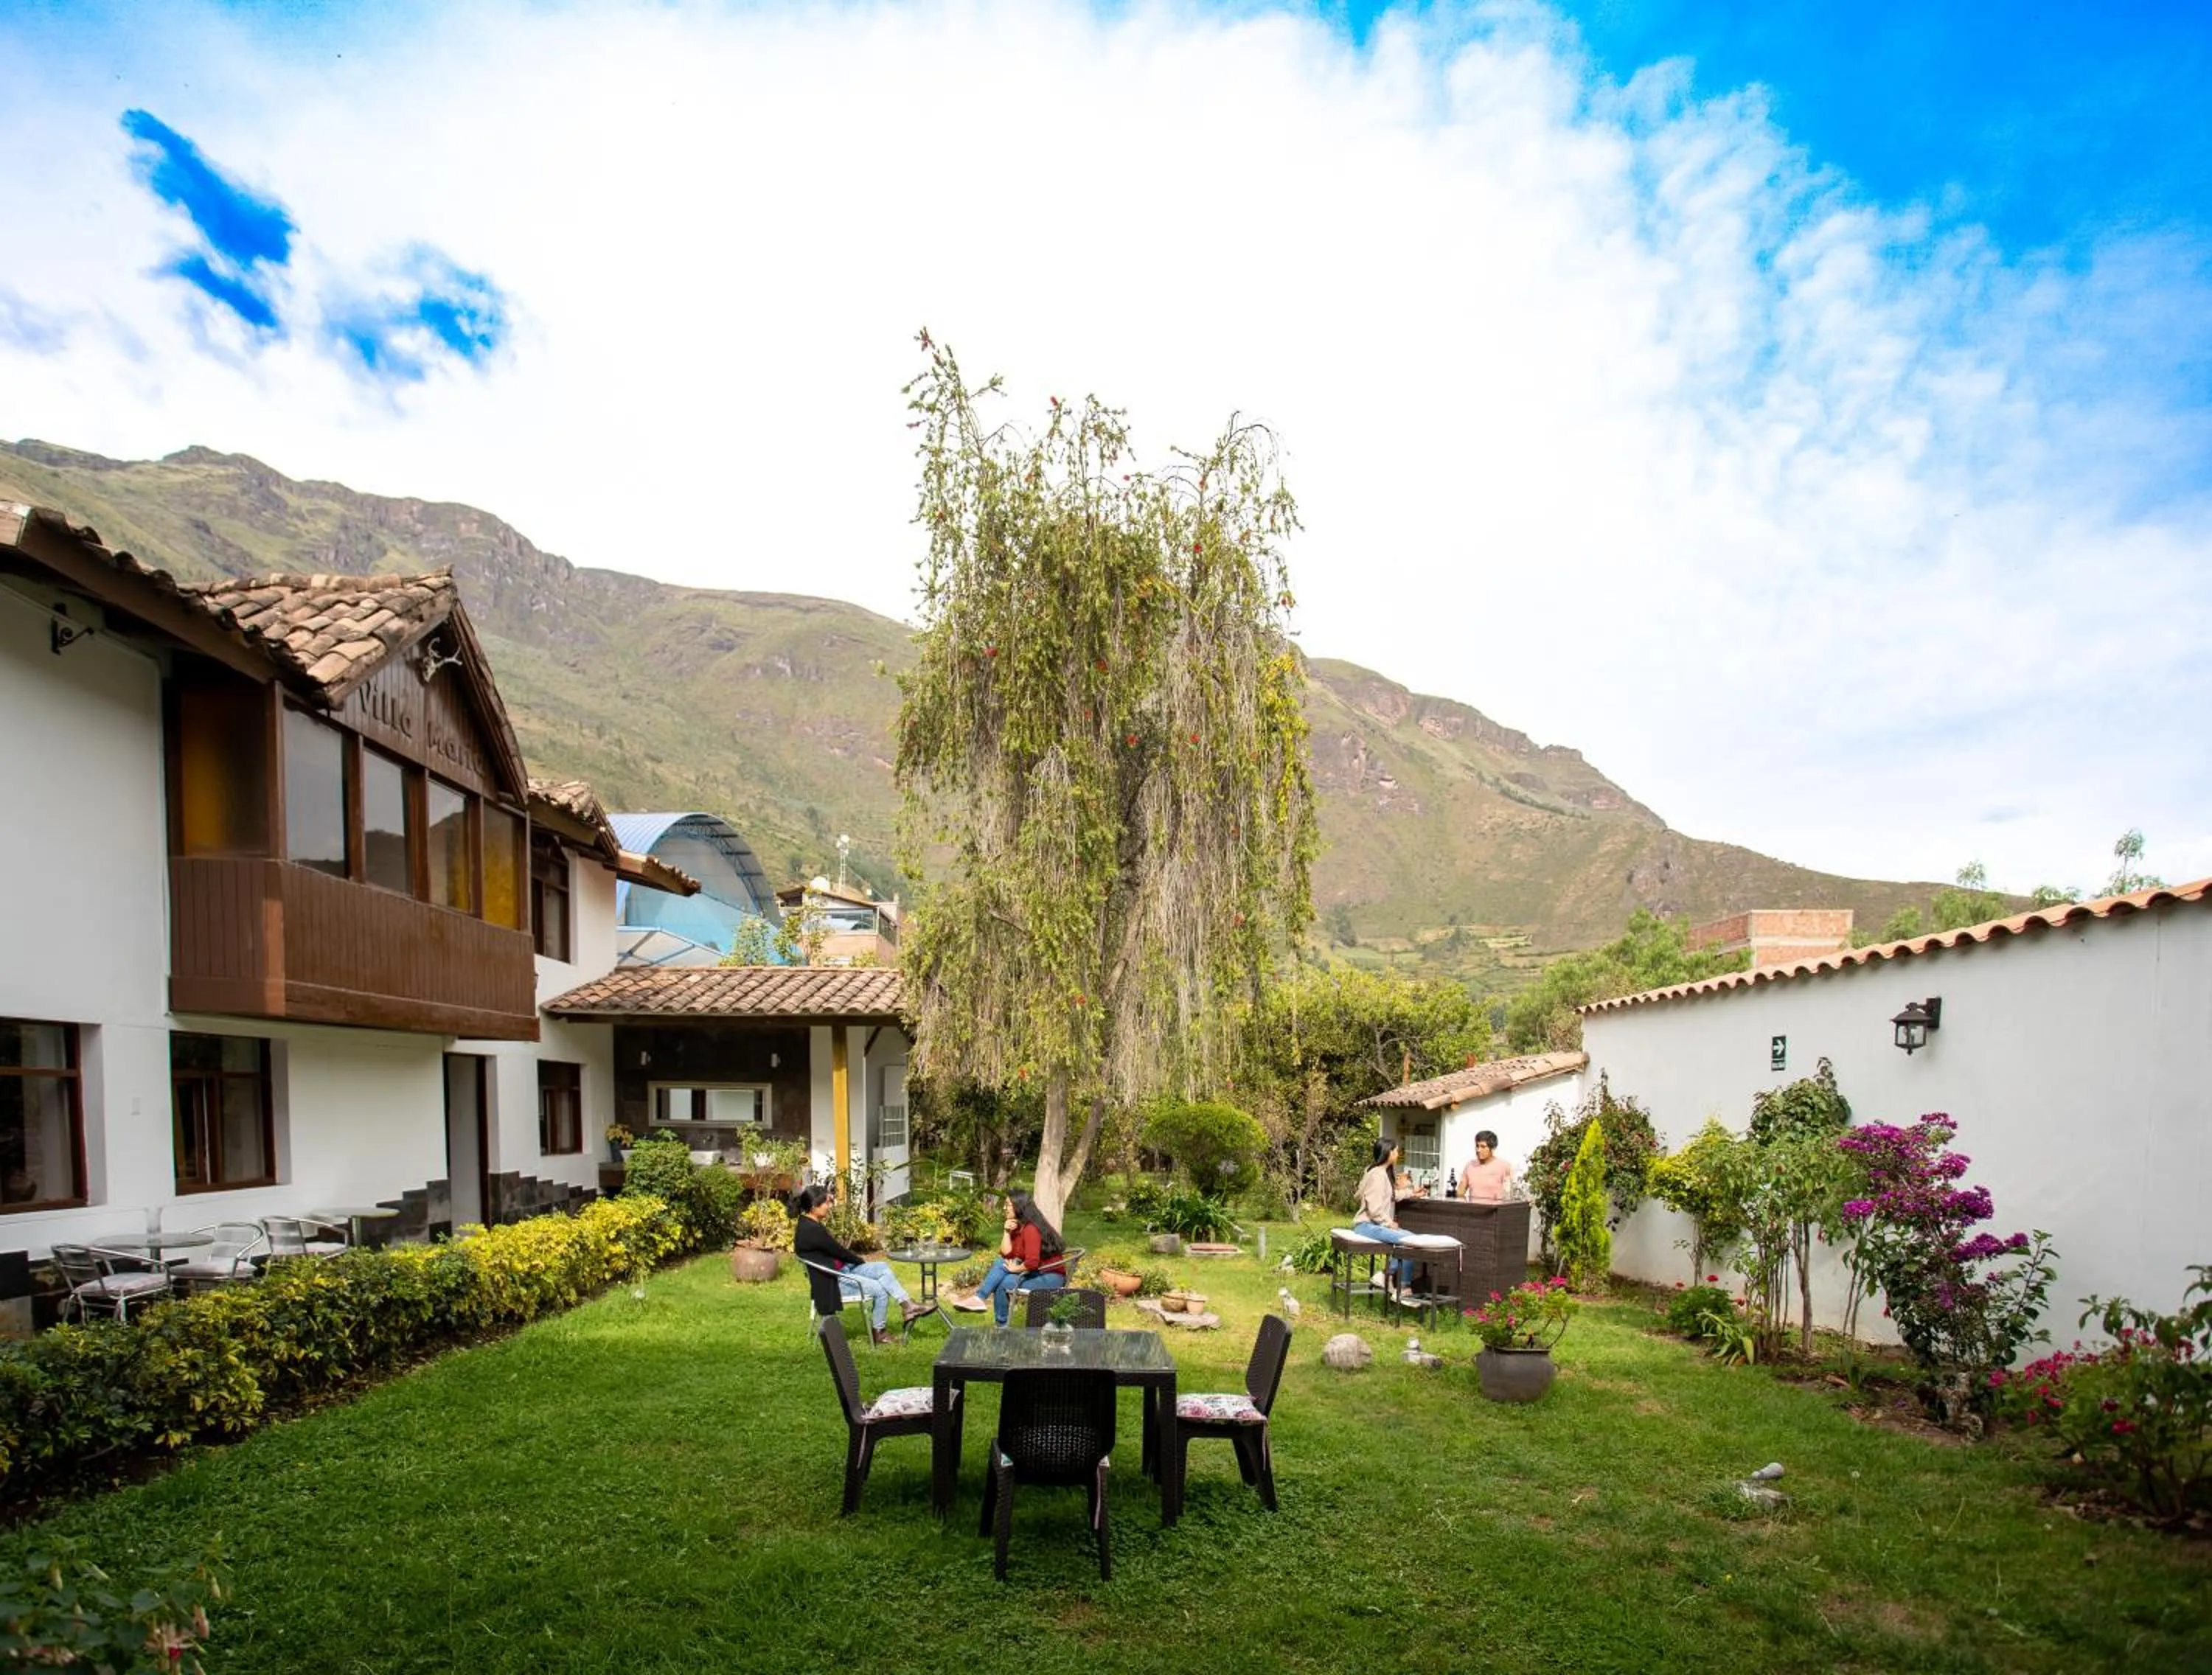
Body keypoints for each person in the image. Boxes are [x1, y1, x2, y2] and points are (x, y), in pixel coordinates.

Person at [790, 1184, 923, 1345]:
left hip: (841, 1269)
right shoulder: (811, 1230)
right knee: (880, 1289)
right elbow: (839, 1251)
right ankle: (879, 1333)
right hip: (834, 1280)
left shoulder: (809, 1223)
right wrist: (860, 1262)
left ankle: (907, 1304)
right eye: (827, 1203)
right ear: (814, 1206)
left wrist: (857, 1263)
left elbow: (838, 1253)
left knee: (882, 1267)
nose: (830, 1207)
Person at [954, 1191, 1068, 1326]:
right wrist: (1006, 1232)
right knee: (1000, 1266)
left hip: (1051, 1277)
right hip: (1037, 1273)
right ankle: (981, 1301)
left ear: (1018, 1206)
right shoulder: (1020, 1227)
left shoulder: (1031, 1229)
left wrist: (1016, 1269)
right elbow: (1006, 1254)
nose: (1004, 1208)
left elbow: (1032, 1263)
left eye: (1007, 1205)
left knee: (1003, 1283)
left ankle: (999, 1324)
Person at [1353, 1137, 1416, 1297]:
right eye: (1395, 1150)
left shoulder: (1381, 1173)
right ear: (1388, 1153)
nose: (1397, 1153)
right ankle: (1393, 1280)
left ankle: (1399, 1285)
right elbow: (1374, 1210)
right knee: (1411, 1240)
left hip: (1374, 1225)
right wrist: (1389, 1223)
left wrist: (1412, 1193)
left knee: (1410, 1241)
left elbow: (1391, 1195)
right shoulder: (1377, 1175)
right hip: (1367, 1226)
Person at [1458, 1130, 1517, 1203]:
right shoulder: (1470, 1166)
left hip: (1495, 1212)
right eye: (1477, 1146)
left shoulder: (1504, 1166)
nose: (1478, 1150)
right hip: (1474, 1211)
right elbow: (1460, 1193)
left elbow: (1513, 1194)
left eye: (1483, 1147)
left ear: (1492, 1148)